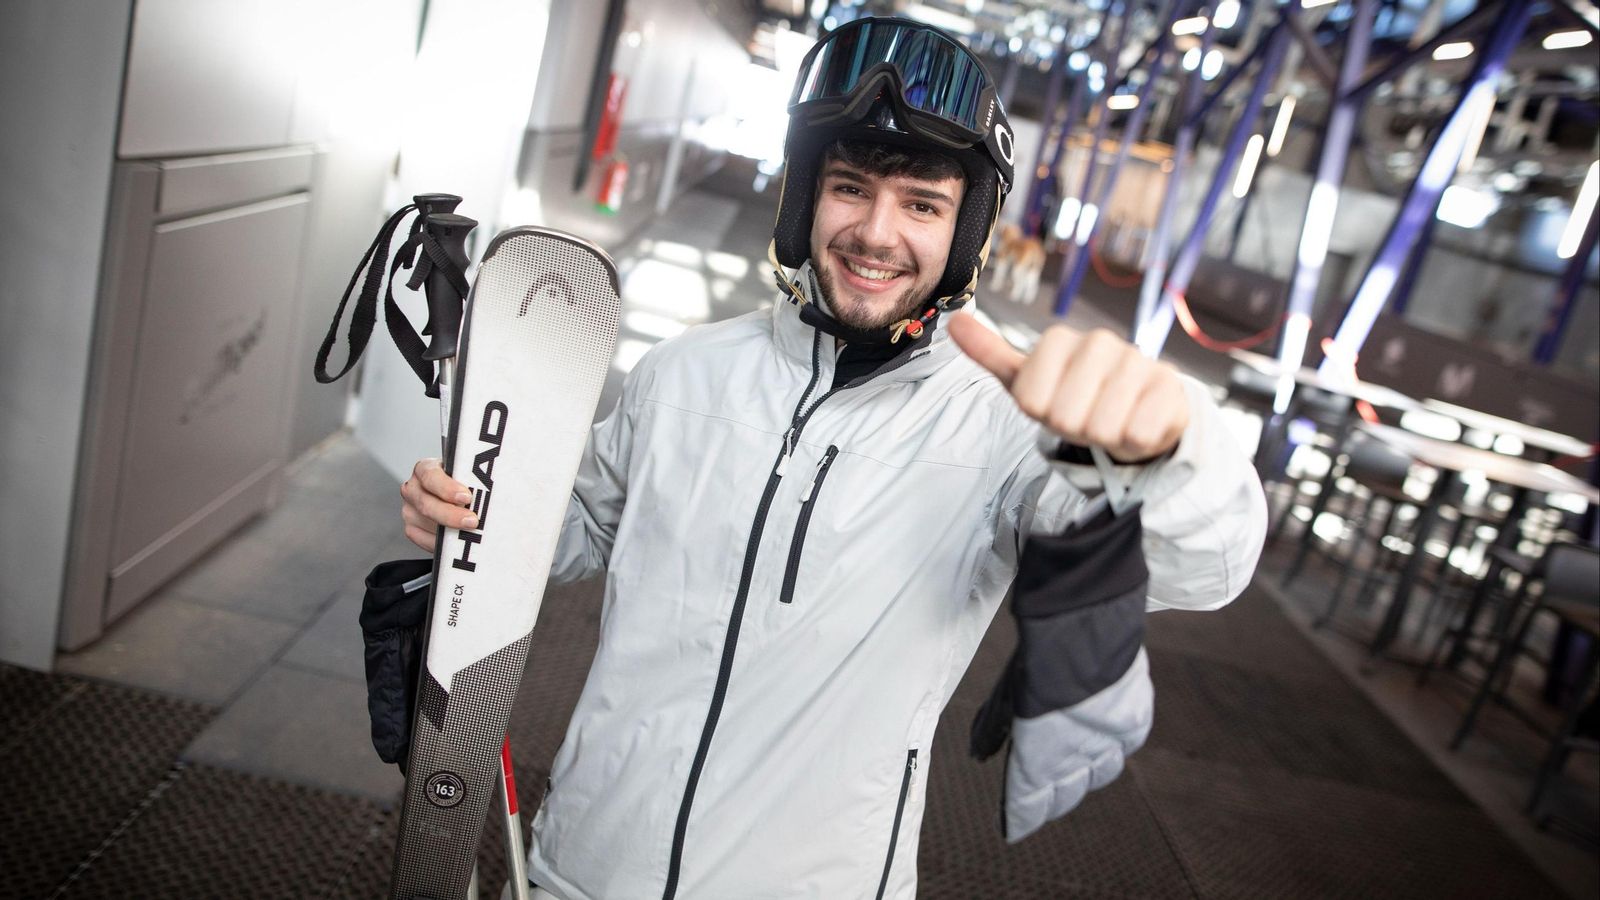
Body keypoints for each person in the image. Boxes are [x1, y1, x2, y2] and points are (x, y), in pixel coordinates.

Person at [400, 17, 1265, 899]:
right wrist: (473, 515)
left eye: (922, 204)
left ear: (965, 231)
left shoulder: (1003, 434)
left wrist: (1172, 448)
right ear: (806, 196)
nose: (876, 234)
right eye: (851, 188)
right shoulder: (685, 371)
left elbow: (1203, 569)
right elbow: (578, 527)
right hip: (582, 866)